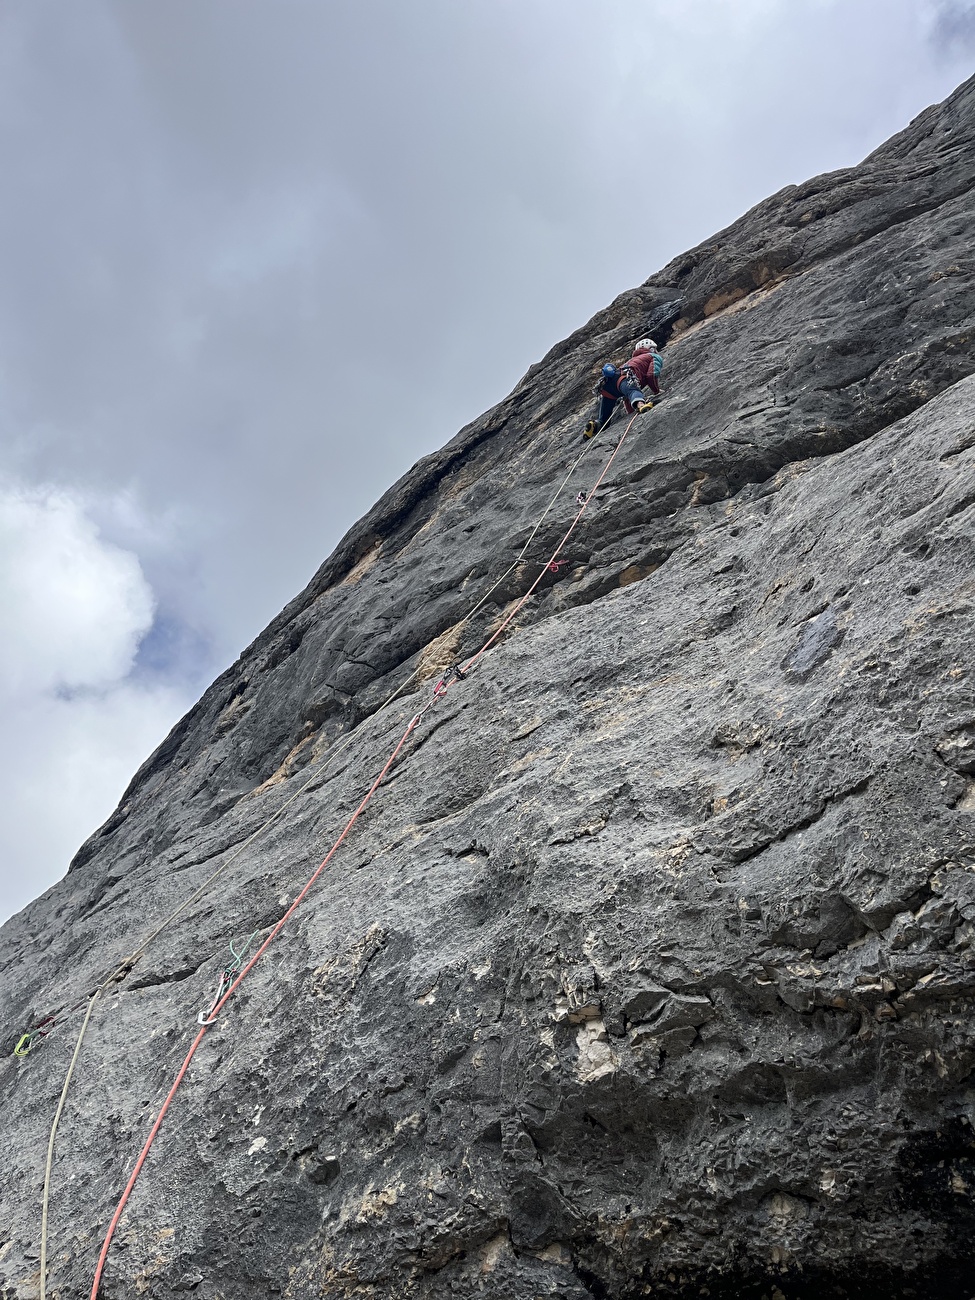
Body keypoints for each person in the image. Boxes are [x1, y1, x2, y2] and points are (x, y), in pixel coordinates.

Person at [583, 339, 663, 438]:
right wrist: (656, 391)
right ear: (651, 348)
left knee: (605, 416)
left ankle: (596, 425)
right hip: (625, 379)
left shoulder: (630, 361)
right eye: (655, 349)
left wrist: (631, 413)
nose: (656, 351)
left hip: (609, 385)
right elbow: (652, 374)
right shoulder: (653, 356)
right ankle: (641, 404)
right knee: (634, 391)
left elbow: (626, 397)